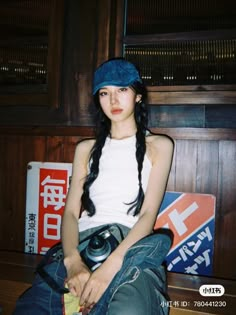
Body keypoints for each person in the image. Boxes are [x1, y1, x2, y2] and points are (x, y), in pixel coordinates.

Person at [14, 58, 174, 315]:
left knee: (131, 310)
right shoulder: (85, 149)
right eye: (104, 92)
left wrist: (110, 268)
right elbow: (69, 213)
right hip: (83, 242)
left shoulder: (160, 146)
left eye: (122, 90)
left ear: (138, 96)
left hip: (130, 246)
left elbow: (147, 215)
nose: (113, 100)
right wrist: (72, 261)